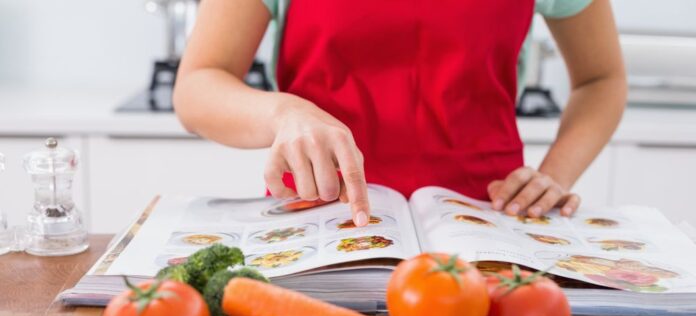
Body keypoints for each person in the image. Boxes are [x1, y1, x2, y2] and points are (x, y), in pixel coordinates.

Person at [174, 0, 626, 227]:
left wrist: (556, 176)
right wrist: (282, 113)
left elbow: (601, 80)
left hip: (488, 225)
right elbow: (197, 85)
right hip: (318, 223)